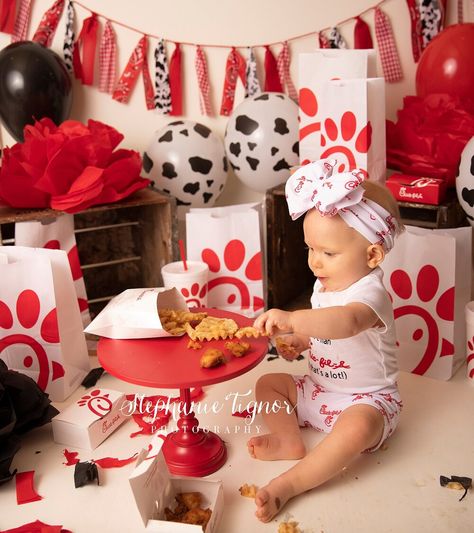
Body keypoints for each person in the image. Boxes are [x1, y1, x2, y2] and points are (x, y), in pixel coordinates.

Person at [248, 159, 405, 522]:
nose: (315, 263)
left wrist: (292, 318)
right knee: (269, 384)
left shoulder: (370, 295)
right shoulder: (324, 285)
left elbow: (345, 323)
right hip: (319, 391)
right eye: (310, 249)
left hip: (367, 399)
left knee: (359, 428)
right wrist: (300, 340)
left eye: (328, 253)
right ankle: (289, 440)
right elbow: (322, 330)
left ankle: (289, 485)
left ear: (372, 255)